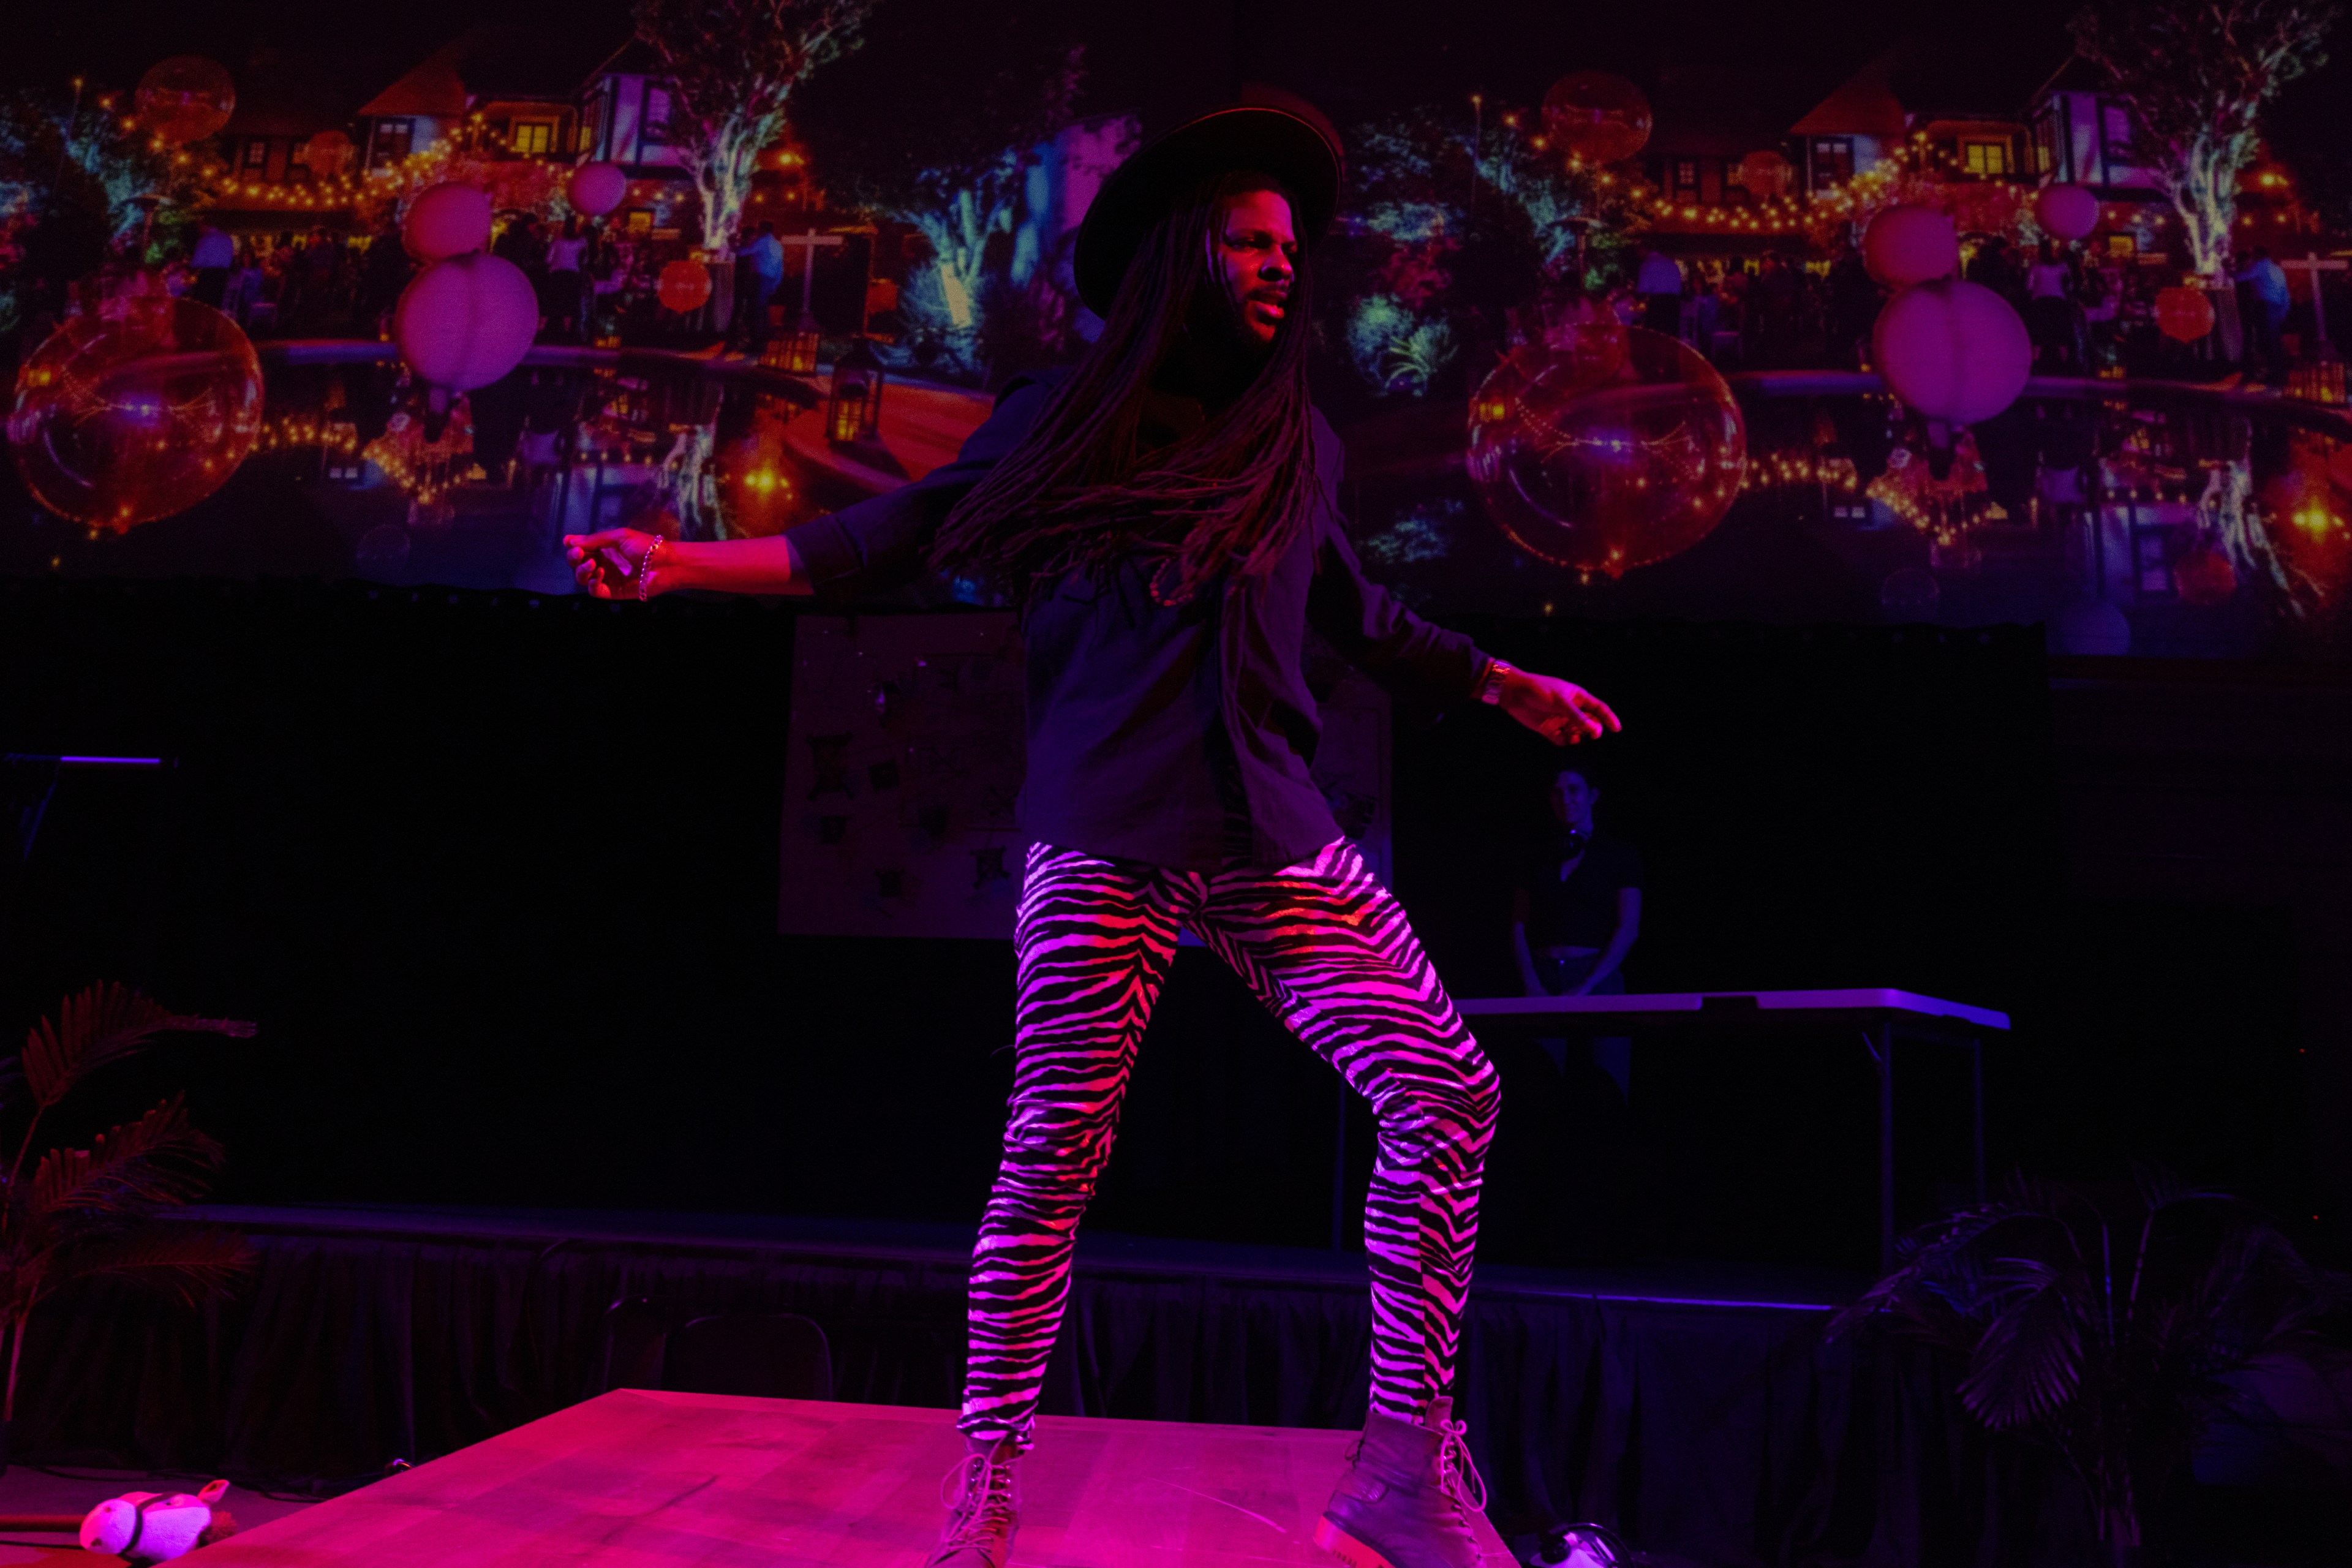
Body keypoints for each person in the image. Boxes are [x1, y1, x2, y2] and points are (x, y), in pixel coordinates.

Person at [562, 96, 1622, 1568]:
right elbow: (870, 538)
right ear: (1185, 252)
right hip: (1103, 831)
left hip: (1271, 832)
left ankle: (1400, 1459)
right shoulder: (1058, 420)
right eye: (1248, 242)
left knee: (1446, 1092)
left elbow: (1354, 617)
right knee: (1051, 1157)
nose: (1275, 266)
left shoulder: (1293, 440)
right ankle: (982, 1491)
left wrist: (1500, 680)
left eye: (1287, 249)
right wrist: (677, 557)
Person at [1510, 764, 1642, 1097]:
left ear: (1592, 796)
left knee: (1607, 1082)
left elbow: (1628, 927)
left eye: (1574, 790)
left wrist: (1587, 985)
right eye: (1557, 791)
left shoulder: (1618, 854)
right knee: (1540, 1080)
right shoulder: (1536, 855)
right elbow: (1519, 923)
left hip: (1599, 974)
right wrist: (1531, 982)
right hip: (1543, 975)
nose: (1565, 799)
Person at [2234, 246, 2291, 389]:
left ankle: (2273, 376)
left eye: (2253, 255)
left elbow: (2242, 277)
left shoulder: (2260, 266)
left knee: (2267, 342)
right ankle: (2280, 374)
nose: (2252, 258)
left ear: (2259, 255)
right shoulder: (2278, 269)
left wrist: (2228, 271)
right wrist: (2284, 310)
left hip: (2265, 306)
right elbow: (2285, 292)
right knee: (2275, 341)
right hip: (2277, 306)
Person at [731, 221, 785, 354]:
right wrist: (776, 283)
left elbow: (743, 252)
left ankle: (755, 345)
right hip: (770, 279)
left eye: (758, 229)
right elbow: (780, 267)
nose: (757, 232)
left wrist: (731, 243)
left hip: (760, 278)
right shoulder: (778, 245)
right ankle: (762, 343)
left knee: (755, 311)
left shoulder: (762, 242)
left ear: (762, 230)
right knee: (762, 311)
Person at [1635, 246, 1683, 339]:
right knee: (1671, 335)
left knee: (1655, 335)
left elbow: (1642, 289)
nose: (1638, 255)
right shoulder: (1671, 263)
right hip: (1675, 302)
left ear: (1643, 250)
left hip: (1659, 303)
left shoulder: (1648, 264)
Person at [189, 222, 235, 309]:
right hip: (223, 274)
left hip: (209, 274)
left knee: (202, 302)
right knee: (217, 302)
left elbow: (197, 261)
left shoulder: (206, 238)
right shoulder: (227, 239)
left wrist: (192, 268)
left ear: (205, 226)